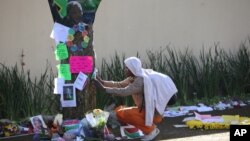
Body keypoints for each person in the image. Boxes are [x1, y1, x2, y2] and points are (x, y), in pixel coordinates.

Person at [95, 57, 178, 141]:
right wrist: (103, 82)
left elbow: (125, 91)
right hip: (146, 111)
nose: (125, 70)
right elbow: (120, 85)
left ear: (133, 69)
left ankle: (151, 131)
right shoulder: (133, 77)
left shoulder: (140, 80)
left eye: (127, 68)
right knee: (119, 112)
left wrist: (104, 89)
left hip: (153, 114)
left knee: (127, 114)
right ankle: (138, 127)